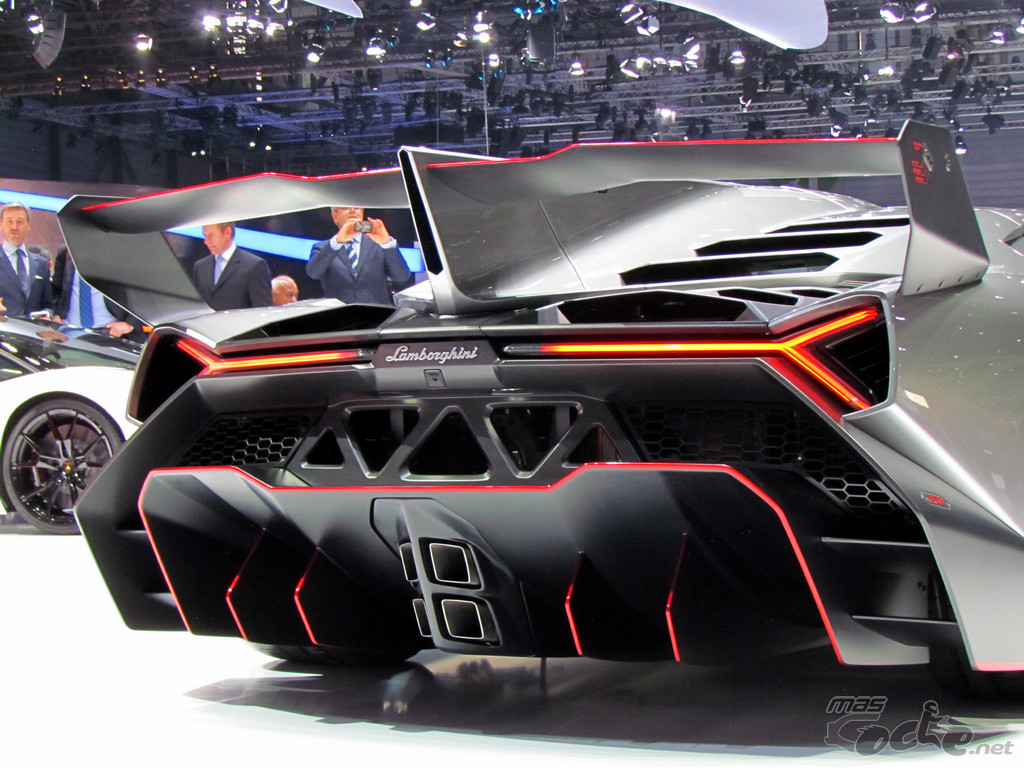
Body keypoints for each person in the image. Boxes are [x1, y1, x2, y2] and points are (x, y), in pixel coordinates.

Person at [306, 206, 411, 305]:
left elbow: (401, 276)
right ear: (334, 215)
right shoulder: (324, 248)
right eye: (345, 208)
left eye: (357, 208)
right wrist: (337, 242)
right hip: (338, 314)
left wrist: (387, 243)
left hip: (377, 313)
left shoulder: (379, 244)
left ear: (362, 213)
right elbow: (313, 273)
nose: (352, 210)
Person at [51, 246, 147, 343]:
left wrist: (130, 324)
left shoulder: (124, 252)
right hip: (70, 333)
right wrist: (56, 314)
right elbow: (56, 289)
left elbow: (145, 291)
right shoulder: (67, 252)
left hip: (112, 335)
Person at [192, 222, 272, 310]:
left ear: (227, 232)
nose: (206, 241)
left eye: (211, 235)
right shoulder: (200, 267)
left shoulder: (254, 266)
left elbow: (262, 311)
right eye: (205, 236)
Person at [1, 202, 54, 318]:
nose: (14, 227)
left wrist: (48, 314)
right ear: (1, 224)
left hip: (31, 328)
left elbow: (48, 304)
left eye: (19, 222)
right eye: (9, 221)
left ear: (28, 225)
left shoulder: (41, 264)